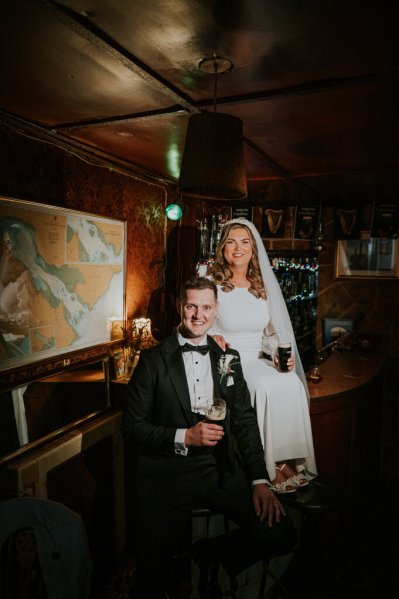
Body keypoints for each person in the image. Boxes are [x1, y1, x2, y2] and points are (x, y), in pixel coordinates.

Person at [123, 276, 297, 599]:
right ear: (180, 306)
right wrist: (185, 437)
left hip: (218, 469)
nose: (198, 314)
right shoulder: (152, 361)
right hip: (167, 472)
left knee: (281, 532)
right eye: (191, 306)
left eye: (206, 307)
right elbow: (132, 427)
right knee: (152, 575)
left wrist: (260, 479)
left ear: (216, 310)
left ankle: (211, 555)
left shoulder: (227, 360)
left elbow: (245, 420)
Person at [210, 218, 317, 494]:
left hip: (257, 359)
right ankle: (271, 467)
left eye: (245, 242)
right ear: (222, 248)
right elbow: (197, 325)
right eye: (231, 242)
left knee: (291, 382)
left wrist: (278, 357)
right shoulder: (212, 285)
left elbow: (269, 336)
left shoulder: (261, 286)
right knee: (264, 386)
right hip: (227, 363)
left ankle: (285, 458)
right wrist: (212, 338)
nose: (238, 248)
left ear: (253, 249)